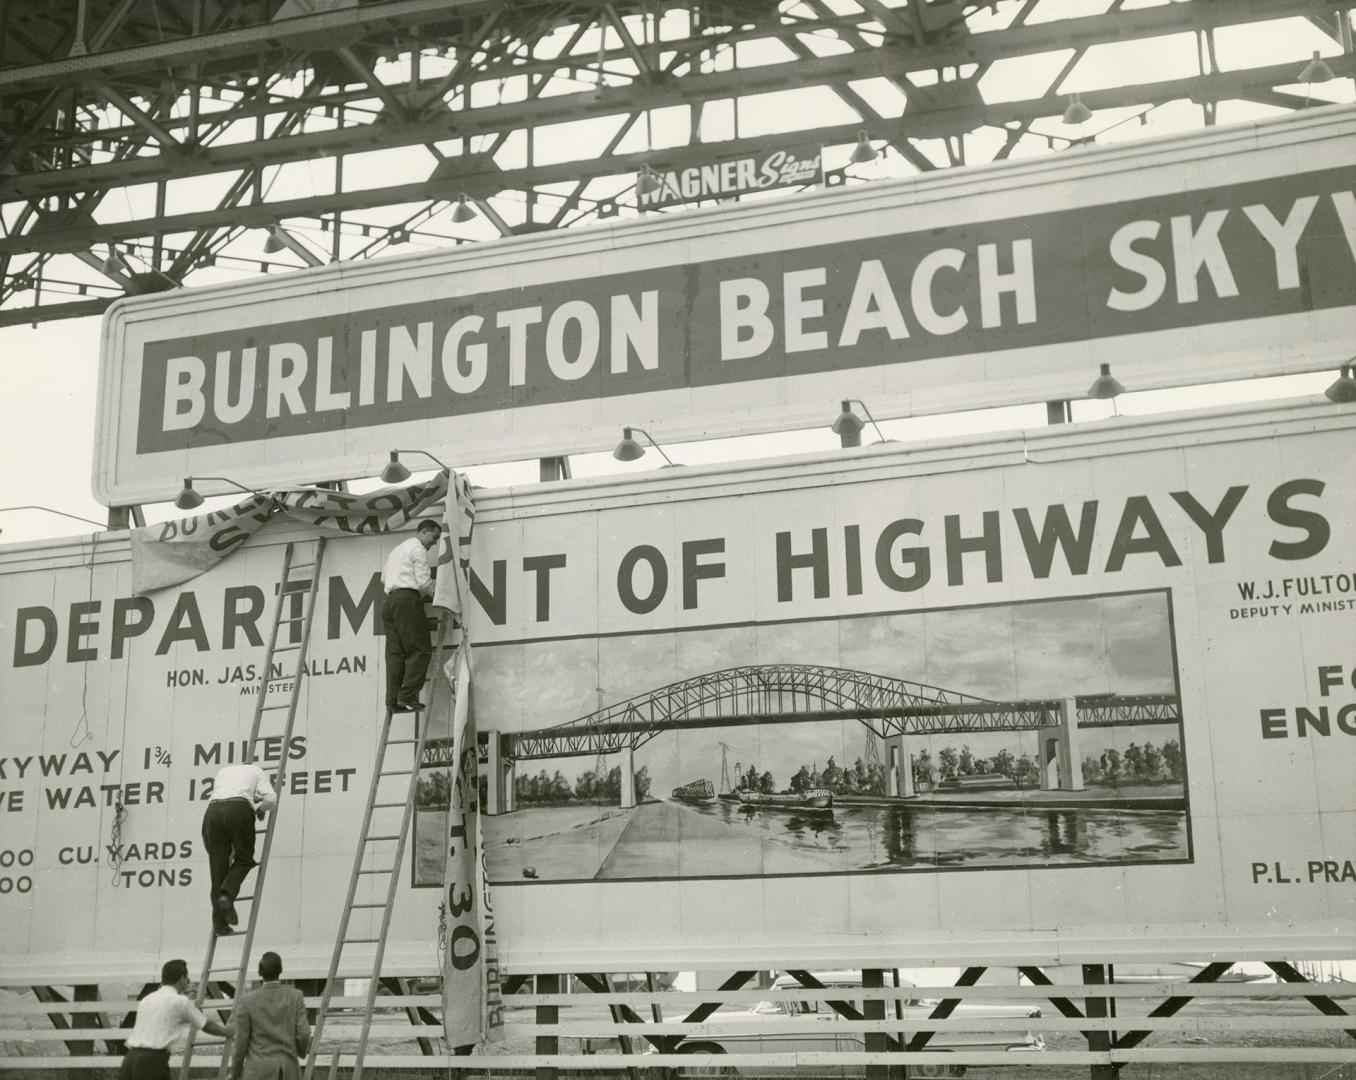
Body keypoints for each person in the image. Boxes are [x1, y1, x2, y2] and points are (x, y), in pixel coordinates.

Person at [119, 958, 229, 1080]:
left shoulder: (147, 999)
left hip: (129, 1059)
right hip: (152, 1061)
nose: (188, 982)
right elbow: (206, 1025)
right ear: (182, 978)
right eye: (187, 978)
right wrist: (227, 1031)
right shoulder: (179, 1001)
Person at [202, 761, 277, 934]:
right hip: (238, 809)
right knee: (244, 859)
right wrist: (260, 808)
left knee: (217, 869)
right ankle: (227, 895)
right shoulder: (256, 770)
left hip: (212, 812)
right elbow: (271, 799)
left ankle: (219, 926)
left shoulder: (223, 771)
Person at [381, 519, 442, 712]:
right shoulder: (418, 550)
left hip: (389, 602)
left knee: (395, 654)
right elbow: (424, 583)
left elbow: (384, 578)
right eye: (434, 537)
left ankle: (392, 700)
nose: (434, 543)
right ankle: (407, 696)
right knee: (420, 649)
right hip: (407, 601)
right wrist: (440, 597)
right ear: (424, 532)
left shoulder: (396, 550)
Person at [230, 951, 310, 1080]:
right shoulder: (295, 996)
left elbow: (240, 1042)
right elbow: (304, 1033)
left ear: (259, 972)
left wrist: (235, 1072)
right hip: (288, 1071)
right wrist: (300, 1053)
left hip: (257, 1071)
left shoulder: (246, 1001)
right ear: (280, 970)